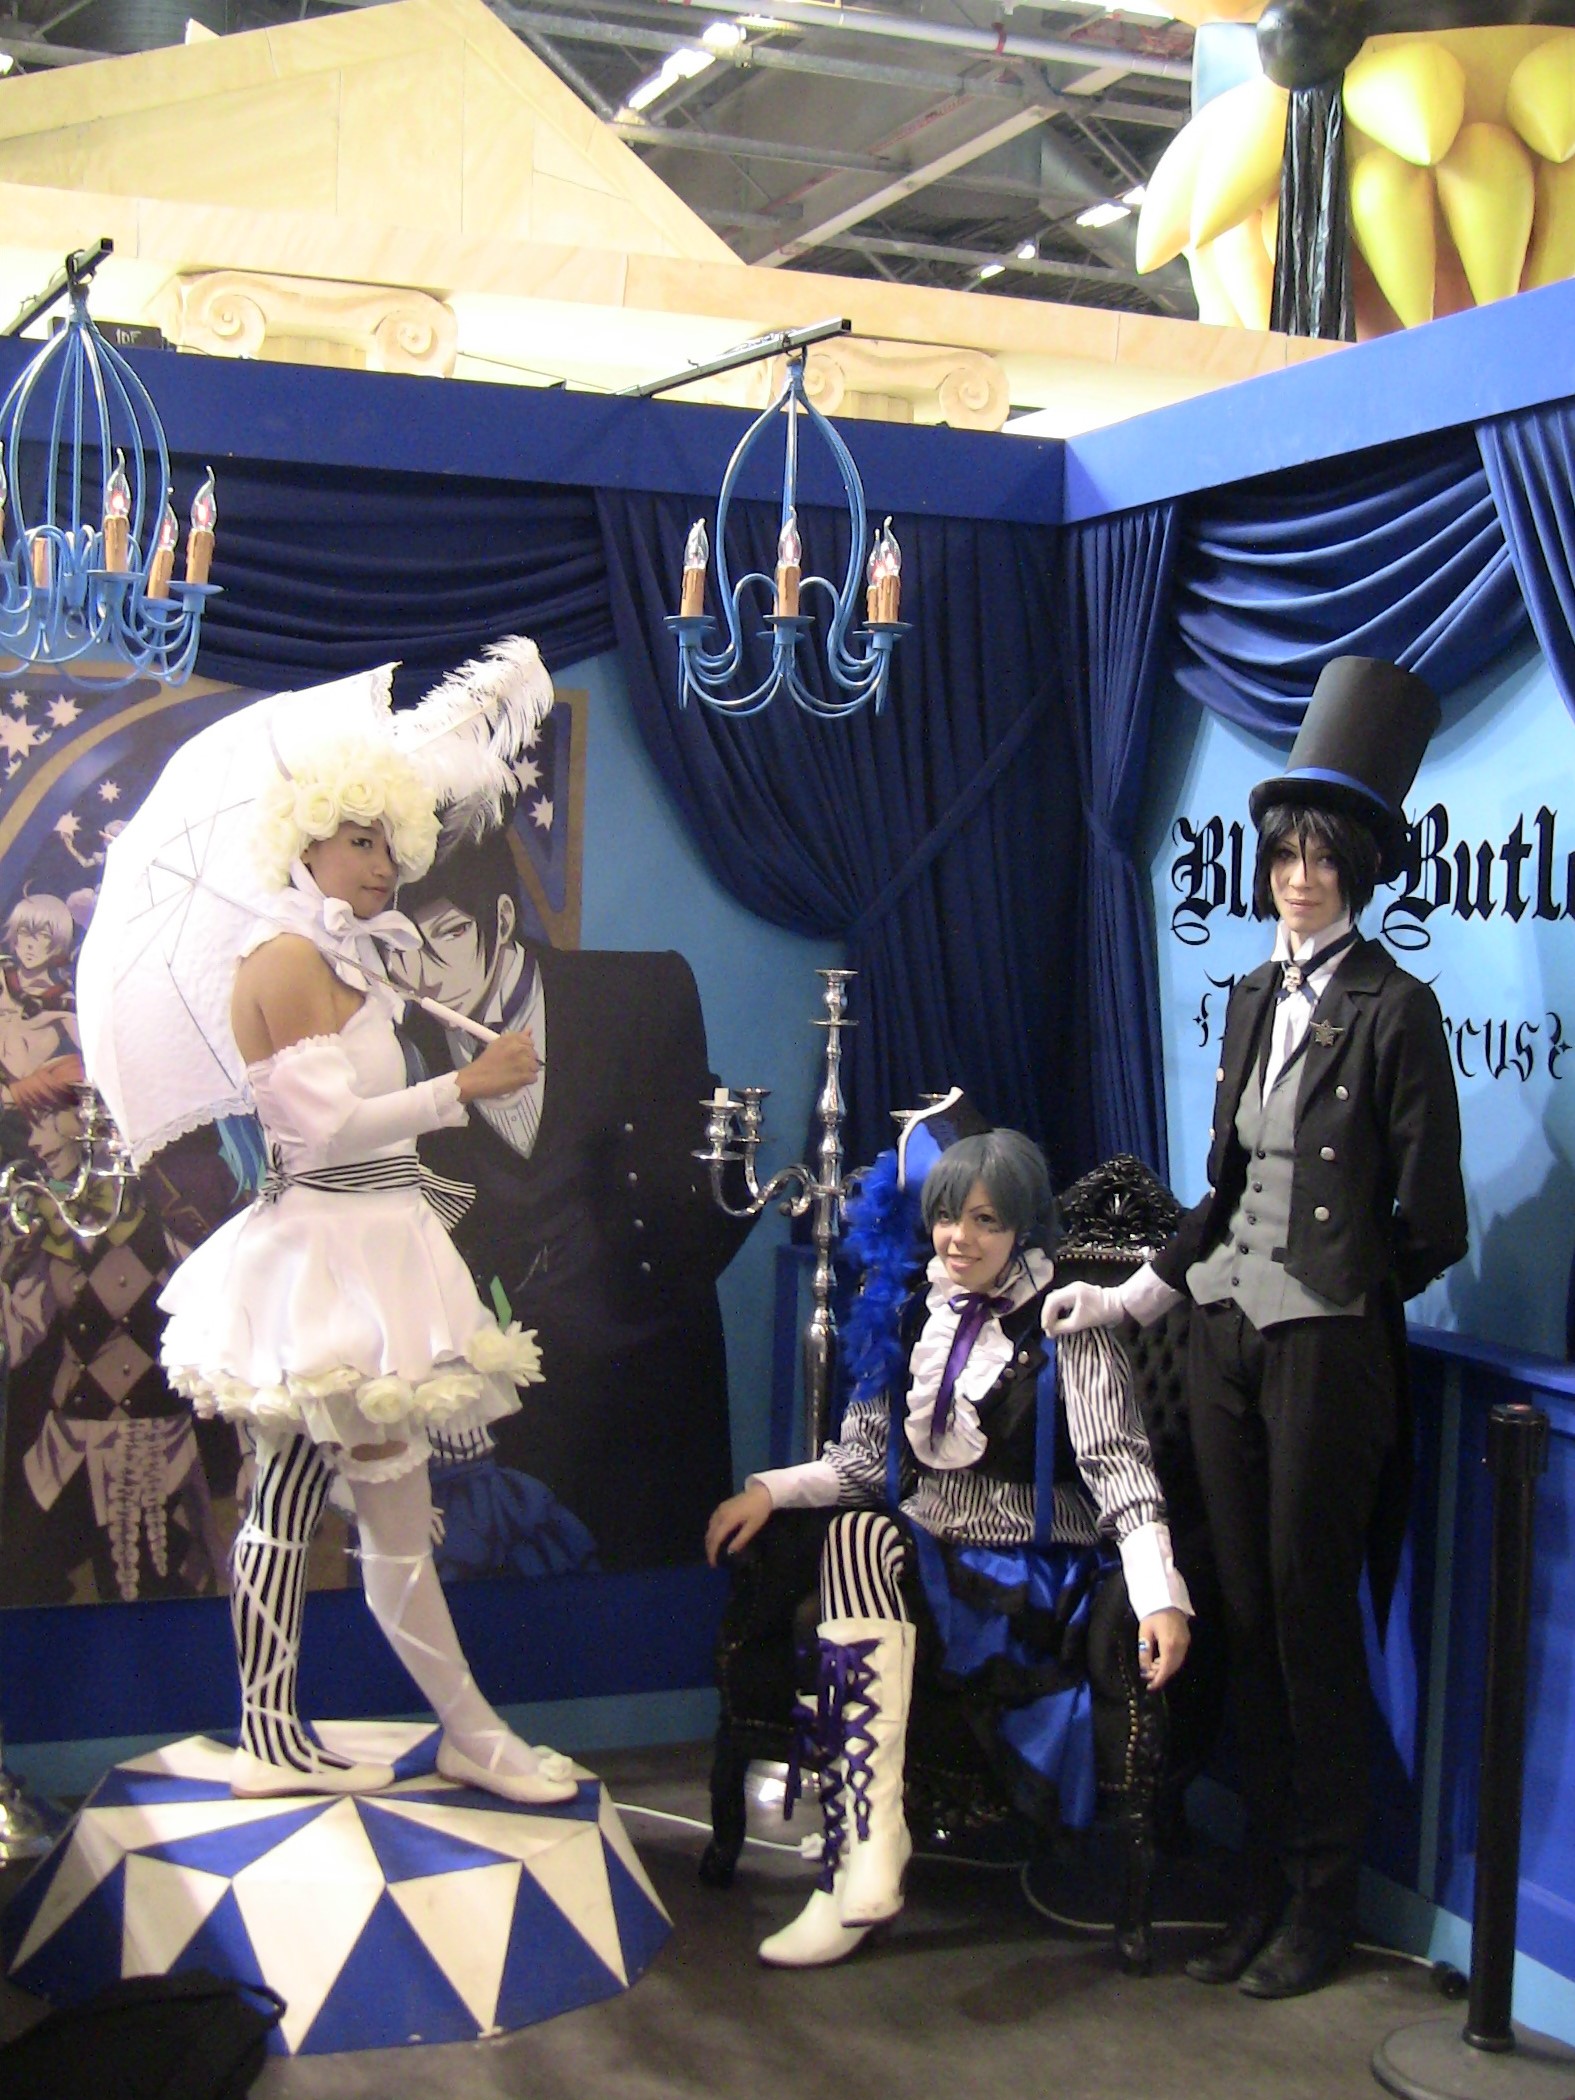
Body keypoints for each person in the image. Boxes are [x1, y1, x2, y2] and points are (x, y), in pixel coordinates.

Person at [1045, 656, 1467, 2000]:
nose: (1300, 878)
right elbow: (1219, 1196)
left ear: (1359, 870)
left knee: (1305, 1613)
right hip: (1222, 1336)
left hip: (1326, 1351)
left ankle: (1321, 1902)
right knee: (1233, 1607)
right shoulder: (1243, 997)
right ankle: (1255, 1886)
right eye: (1285, 854)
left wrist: (1333, 1292)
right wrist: (1135, 1296)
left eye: (1323, 858)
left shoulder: (1397, 1011)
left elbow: (1433, 1221)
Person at [155, 729, 580, 1805]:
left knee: (310, 1502)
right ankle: (445, 1736)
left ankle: (297, 1735)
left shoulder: (342, 954)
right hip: (330, 1262)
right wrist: (463, 1087)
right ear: (303, 844)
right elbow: (328, 1128)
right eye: (357, 840)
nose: (382, 862)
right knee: (362, 1517)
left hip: (370, 1247)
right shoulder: (287, 958)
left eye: (389, 842)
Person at [706, 1117, 1192, 1969]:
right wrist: (767, 1491)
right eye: (944, 1217)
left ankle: (859, 1858)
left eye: (984, 1221)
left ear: (1023, 1228)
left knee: (856, 1544)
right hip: (929, 1561)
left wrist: (1159, 1595)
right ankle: (867, 1847)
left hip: (1027, 1577)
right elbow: (863, 1463)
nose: (957, 1238)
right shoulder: (908, 1312)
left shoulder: (1068, 1323)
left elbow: (1120, 1470)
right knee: (856, 1528)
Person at [395, 816, 749, 1571]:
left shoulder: (639, 993)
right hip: (512, 1406)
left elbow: (702, 1189)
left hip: (650, 1380)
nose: (422, 972)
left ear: (500, 920)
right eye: (403, 947)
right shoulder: (397, 1048)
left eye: (445, 937)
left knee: (655, 1602)